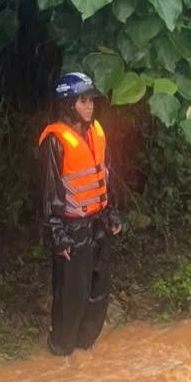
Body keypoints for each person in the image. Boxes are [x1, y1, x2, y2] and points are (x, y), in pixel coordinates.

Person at [37, 72, 123, 357]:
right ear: (70, 103)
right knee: (72, 292)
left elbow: (105, 177)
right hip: (72, 227)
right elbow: (50, 192)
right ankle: (61, 347)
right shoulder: (55, 140)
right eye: (83, 101)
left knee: (100, 287)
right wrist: (58, 236)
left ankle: (85, 345)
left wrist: (110, 214)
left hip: (97, 222)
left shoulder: (97, 132)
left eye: (91, 101)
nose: (90, 107)